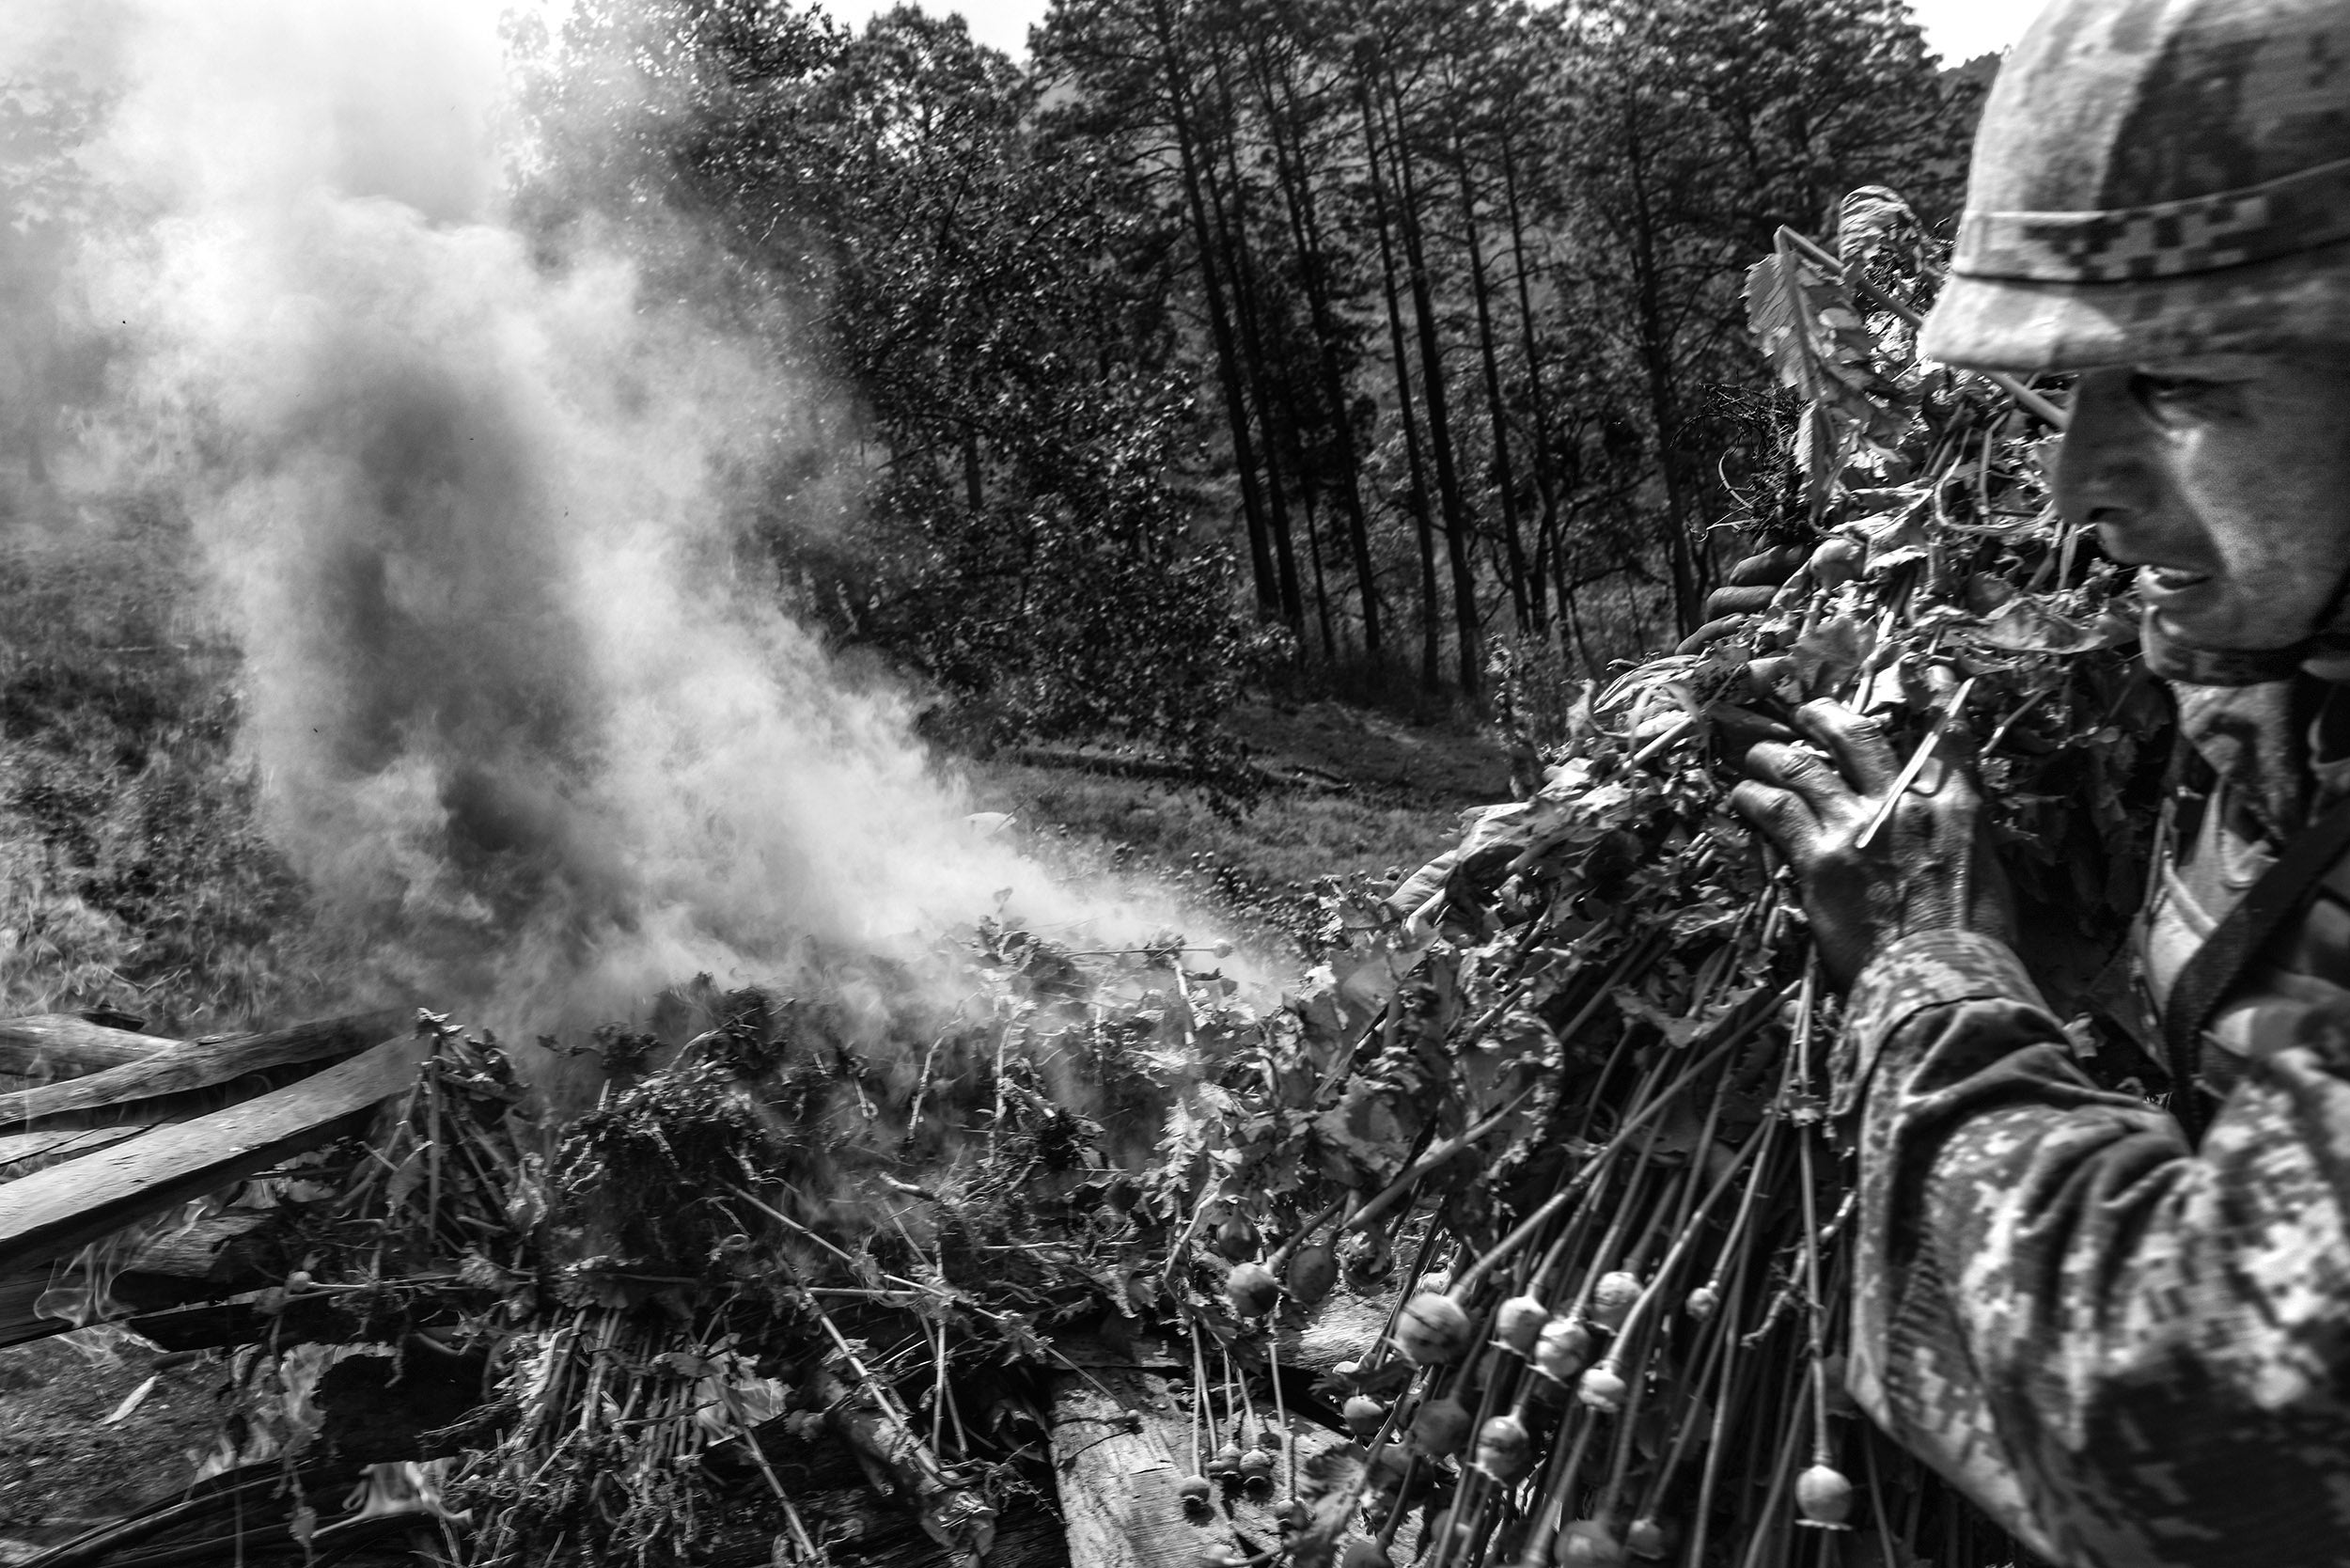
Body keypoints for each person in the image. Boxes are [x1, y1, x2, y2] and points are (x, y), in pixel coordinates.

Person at [1731, 2, 2350, 1564]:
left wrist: (1936, 977)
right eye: (2071, 390)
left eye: (2178, 388)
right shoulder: (2278, 702)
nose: (2074, 482)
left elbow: (2202, 1436)